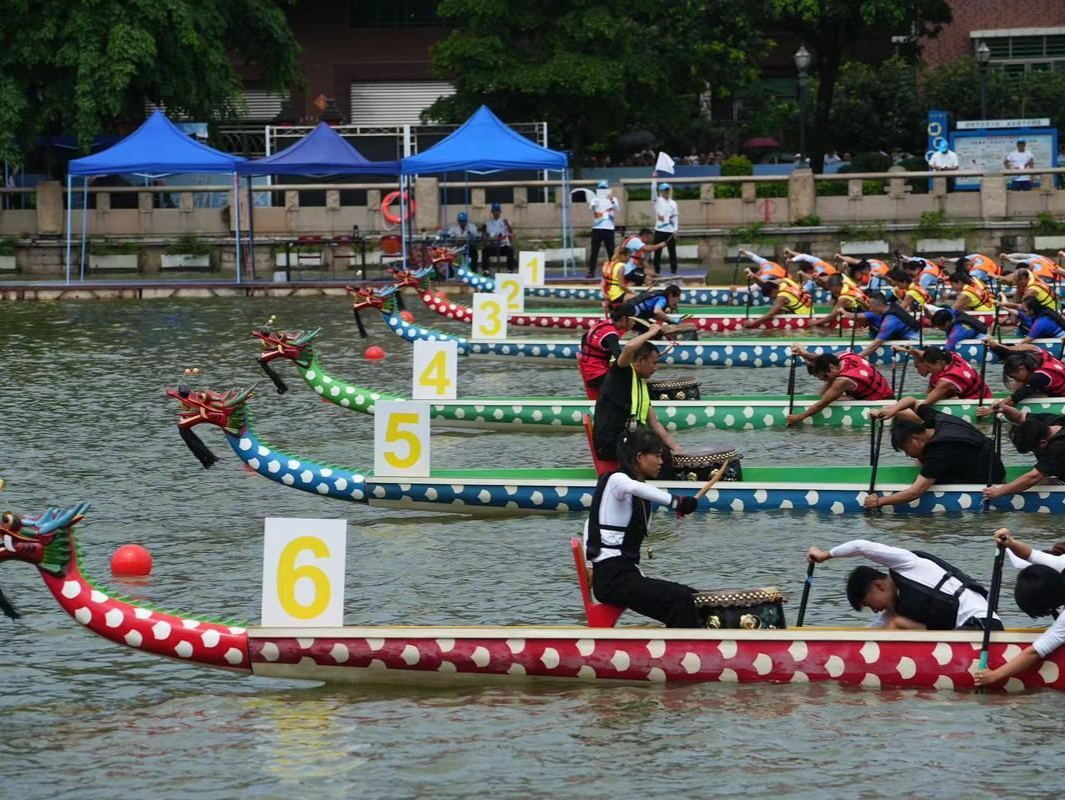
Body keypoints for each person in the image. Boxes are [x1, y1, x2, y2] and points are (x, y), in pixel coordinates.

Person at [583, 428, 701, 628]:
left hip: (626, 574)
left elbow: (590, 522)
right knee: (680, 600)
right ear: (639, 457)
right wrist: (676, 502)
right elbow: (635, 488)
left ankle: (681, 643)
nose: (661, 461)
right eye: (656, 455)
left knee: (693, 597)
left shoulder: (633, 488)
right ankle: (684, 652)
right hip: (613, 579)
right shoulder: (617, 481)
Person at [806, 540, 1000, 631]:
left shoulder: (907, 564)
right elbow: (872, 631)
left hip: (983, 627)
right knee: (896, 623)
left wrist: (826, 554)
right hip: (963, 633)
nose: (874, 611)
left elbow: (860, 546)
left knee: (898, 624)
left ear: (878, 586)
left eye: (868, 604)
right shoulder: (896, 607)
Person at [863, 402, 1005, 510]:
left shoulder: (938, 452)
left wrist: (878, 502)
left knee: (919, 483)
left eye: (906, 449)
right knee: (922, 465)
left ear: (914, 439)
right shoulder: (938, 420)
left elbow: (914, 493)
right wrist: (892, 411)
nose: (908, 454)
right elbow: (911, 401)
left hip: (987, 482)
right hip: (992, 468)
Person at [974, 529, 1065, 688]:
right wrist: (1010, 543)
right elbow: (1030, 554)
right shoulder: (1060, 564)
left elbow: (1035, 652)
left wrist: (993, 676)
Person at [592, 324, 682, 462]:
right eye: (654, 363)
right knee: (660, 453)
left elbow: (655, 423)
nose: (656, 368)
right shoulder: (622, 372)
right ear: (639, 361)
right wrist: (651, 332)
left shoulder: (640, 383)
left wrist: (677, 449)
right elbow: (629, 348)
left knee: (665, 450)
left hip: (625, 440)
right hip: (609, 445)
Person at [786, 346, 893, 426]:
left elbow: (821, 405)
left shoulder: (843, 381)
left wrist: (798, 418)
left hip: (880, 403)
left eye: (826, 376)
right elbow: (820, 357)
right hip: (885, 394)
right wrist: (803, 354)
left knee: (828, 397)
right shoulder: (845, 355)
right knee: (828, 393)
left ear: (831, 367)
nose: (826, 380)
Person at [982, 408, 1065, 502]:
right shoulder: (1048, 421)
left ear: (1042, 443)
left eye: (1032, 450)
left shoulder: (1059, 446)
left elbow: (1033, 477)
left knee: (1044, 482)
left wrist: (999, 492)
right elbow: (1020, 416)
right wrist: (1004, 408)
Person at [976, 338, 1065, 418]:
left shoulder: (1040, 376)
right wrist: (994, 345)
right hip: (1053, 388)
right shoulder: (1036, 352)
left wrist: (990, 410)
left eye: (1015, 377)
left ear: (1021, 369)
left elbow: (1015, 398)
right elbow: (1011, 350)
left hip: (1061, 396)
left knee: (1019, 390)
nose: (1016, 380)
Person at [889, 345, 991, 402]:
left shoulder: (949, 378)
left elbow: (926, 404)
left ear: (937, 362)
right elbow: (924, 354)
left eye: (929, 367)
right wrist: (901, 349)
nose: (929, 370)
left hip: (980, 403)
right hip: (970, 394)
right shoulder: (949, 356)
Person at [578, 302, 635, 400]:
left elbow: (584, 337)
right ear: (625, 319)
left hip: (591, 373)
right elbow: (619, 358)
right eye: (633, 320)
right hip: (596, 376)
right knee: (631, 379)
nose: (634, 323)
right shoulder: (611, 335)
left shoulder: (602, 324)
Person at [846, 291, 920, 359]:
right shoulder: (889, 305)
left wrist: (856, 357)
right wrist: (862, 303)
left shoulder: (890, 320)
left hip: (914, 341)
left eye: (871, 306)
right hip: (906, 337)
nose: (870, 309)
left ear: (879, 305)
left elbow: (875, 345)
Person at [743, 276, 812, 328]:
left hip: (804, 318)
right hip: (810, 312)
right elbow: (768, 283)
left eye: (770, 296)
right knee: (778, 307)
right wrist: (754, 276)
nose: (772, 298)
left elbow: (770, 314)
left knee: (774, 308)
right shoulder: (785, 281)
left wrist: (753, 323)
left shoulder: (782, 296)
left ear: (773, 290)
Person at [587, 181, 620, 277]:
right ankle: (591, 271)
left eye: (604, 188)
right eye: (601, 188)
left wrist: (611, 201)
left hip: (609, 228)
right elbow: (591, 207)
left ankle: (613, 271)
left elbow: (617, 209)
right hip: (597, 228)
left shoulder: (613, 199)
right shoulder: (595, 199)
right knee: (594, 251)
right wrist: (594, 204)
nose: (603, 190)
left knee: (610, 251)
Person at [1000, 295, 1065, 343]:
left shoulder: (1040, 323)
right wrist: (1001, 300)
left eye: (1023, 310)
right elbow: (1014, 307)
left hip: (1061, 339)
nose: (1021, 311)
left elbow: (1024, 342)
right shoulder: (1038, 310)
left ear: (1032, 311)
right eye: (1021, 309)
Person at [651, 180, 678, 275]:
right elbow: (653, 190)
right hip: (659, 230)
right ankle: (657, 270)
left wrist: (675, 230)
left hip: (670, 231)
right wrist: (654, 179)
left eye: (667, 190)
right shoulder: (657, 201)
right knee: (657, 252)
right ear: (661, 192)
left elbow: (675, 217)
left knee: (672, 252)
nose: (666, 192)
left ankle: (674, 271)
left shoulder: (673, 203)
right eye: (664, 190)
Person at [482, 203, 515, 271]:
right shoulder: (488, 223)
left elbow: (511, 232)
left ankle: (510, 270)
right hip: (493, 246)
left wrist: (508, 225)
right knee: (485, 251)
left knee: (510, 250)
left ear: (500, 211)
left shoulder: (505, 221)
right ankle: (486, 271)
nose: (496, 213)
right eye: (494, 211)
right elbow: (486, 235)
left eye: (497, 211)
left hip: (502, 246)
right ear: (492, 212)